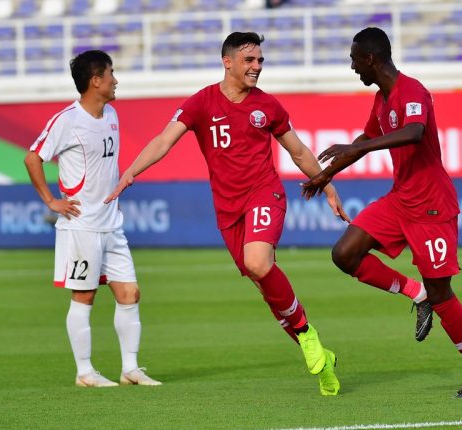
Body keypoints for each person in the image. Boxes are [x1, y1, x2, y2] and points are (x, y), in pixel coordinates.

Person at [104, 32, 346, 396]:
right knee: (265, 286)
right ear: (227, 62)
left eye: (260, 60)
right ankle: (321, 358)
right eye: (249, 60)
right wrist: (131, 172)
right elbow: (164, 140)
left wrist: (326, 185)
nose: (257, 67)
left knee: (258, 262)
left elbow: (297, 151)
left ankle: (307, 334)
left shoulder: (268, 106)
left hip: (264, 194)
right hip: (228, 210)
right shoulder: (202, 102)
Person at [301, 27, 462, 397]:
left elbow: (414, 132)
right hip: (400, 199)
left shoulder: (412, 91)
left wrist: (361, 147)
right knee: (345, 254)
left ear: (371, 59)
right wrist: (326, 174)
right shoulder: (382, 99)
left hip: (432, 205)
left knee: (442, 292)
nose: (353, 67)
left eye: (355, 60)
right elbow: (363, 140)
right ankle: (415, 292)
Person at [24, 50, 161, 387]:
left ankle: (130, 369)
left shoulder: (111, 113)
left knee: (130, 293)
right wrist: (51, 201)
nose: (116, 80)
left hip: (111, 223)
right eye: (111, 74)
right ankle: (84, 372)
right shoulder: (67, 120)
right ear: (95, 80)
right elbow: (33, 157)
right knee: (84, 297)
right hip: (81, 225)